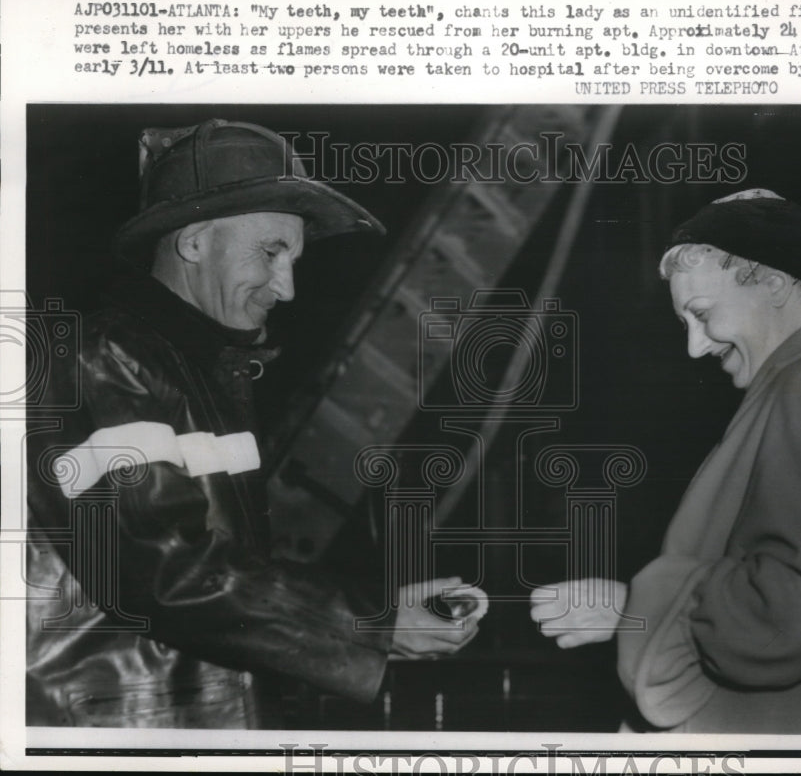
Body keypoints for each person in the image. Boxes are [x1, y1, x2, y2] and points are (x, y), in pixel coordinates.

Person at [26, 119, 479, 728]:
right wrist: (368, 622)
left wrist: (375, 612)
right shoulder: (108, 359)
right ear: (193, 243)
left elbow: (226, 570)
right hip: (126, 729)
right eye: (270, 252)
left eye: (294, 259)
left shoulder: (196, 371)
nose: (287, 288)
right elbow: (164, 568)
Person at [531, 189, 801, 734]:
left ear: (772, 283)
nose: (695, 348)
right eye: (685, 325)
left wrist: (642, 605)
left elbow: (795, 611)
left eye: (702, 314)